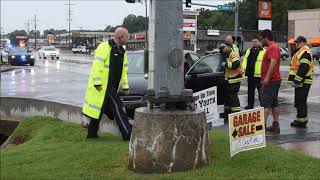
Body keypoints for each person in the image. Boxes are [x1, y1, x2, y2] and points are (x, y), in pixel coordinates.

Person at [82, 27, 132, 140]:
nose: (128, 38)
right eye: (127, 36)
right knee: (119, 109)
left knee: (98, 111)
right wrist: (97, 83)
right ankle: (128, 134)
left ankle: (91, 134)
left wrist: (125, 86)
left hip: (111, 87)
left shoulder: (122, 52)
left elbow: (123, 72)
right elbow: (97, 67)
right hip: (105, 87)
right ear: (120, 37)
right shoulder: (104, 47)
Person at [288, 36, 314, 128]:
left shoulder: (305, 52)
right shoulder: (301, 52)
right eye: (296, 42)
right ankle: (300, 119)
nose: (296, 44)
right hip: (301, 81)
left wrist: (297, 81)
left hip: (303, 81)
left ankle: (302, 122)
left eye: (298, 42)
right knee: (299, 101)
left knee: (301, 101)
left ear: (304, 42)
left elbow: (304, 67)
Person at [259, 29, 281, 134]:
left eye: (261, 39)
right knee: (274, 103)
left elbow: (273, 62)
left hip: (271, 81)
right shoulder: (272, 47)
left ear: (266, 37)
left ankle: (262, 128)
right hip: (273, 81)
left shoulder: (273, 47)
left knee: (265, 104)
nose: (261, 41)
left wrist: (266, 78)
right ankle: (275, 125)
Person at [219, 43, 243, 122]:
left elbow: (236, 65)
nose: (222, 49)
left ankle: (235, 115)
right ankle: (227, 113)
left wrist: (226, 64)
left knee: (233, 97)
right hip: (229, 79)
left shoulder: (233, 54)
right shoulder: (226, 54)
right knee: (227, 97)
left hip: (235, 79)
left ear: (228, 47)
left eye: (224, 47)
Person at [242, 36, 265, 109]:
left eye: (256, 41)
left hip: (259, 75)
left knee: (261, 92)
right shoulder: (249, 50)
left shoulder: (263, 51)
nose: (254, 43)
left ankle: (263, 105)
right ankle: (250, 105)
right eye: (253, 42)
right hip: (250, 74)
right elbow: (245, 60)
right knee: (250, 91)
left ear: (259, 42)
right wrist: (243, 69)